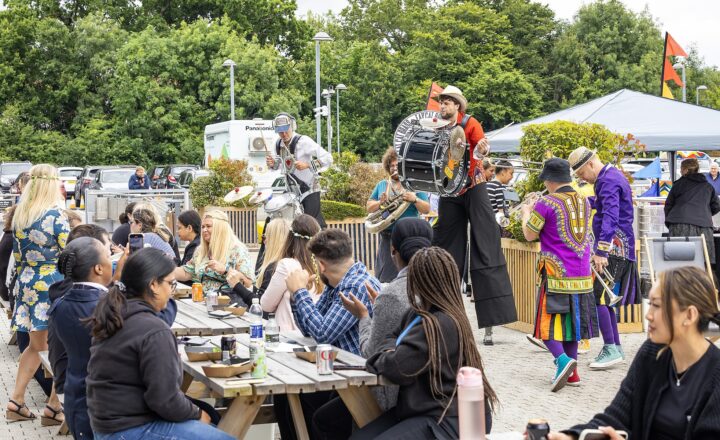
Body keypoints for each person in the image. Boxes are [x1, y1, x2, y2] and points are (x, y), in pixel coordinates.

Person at [548, 266, 720, 440]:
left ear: (689, 315)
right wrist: (571, 436)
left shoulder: (716, 376)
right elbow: (615, 418)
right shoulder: (651, 354)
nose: (648, 315)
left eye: (657, 306)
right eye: (650, 304)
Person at [85, 248, 231, 440]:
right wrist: (196, 414)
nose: (172, 290)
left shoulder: (115, 313)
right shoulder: (154, 330)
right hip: (129, 427)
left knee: (209, 416)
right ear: (153, 284)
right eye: (171, 283)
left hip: (106, 424)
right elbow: (165, 400)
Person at [350, 247, 496, 439]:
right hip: (423, 411)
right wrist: (390, 351)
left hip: (447, 419)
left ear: (419, 283)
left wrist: (384, 356)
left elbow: (397, 366)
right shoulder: (420, 314)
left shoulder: (440, 323)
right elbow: (390, 339)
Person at [312, 218, 434, 439]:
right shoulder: (435, 286)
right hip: (430, 393)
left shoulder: (393, 294)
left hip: (395, 394)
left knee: (324, 418)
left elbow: (370, 355)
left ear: (392, 250)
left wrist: (364, 316)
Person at [276, 229, 381, 440]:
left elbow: (323, 333)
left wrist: (299, 292)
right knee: (285, 397)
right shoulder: (338, 284)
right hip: (341, 372)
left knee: (321, 418)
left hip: (362, 380)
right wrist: (300, 296)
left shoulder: (355, 286)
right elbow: (311, 330)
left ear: (321, 265)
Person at [431, 85, 517, 332]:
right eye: (441, 102)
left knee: (486, 240)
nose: (443, 105)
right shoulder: (435, 124)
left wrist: (481, 150)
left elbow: (482, 145)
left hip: (474, 185)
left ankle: (494, 311)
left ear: (457, 105)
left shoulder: (470, 123)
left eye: (447, 102)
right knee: (446, 244)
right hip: (450, 189)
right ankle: (442, 306)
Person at [521, 158, 598, 391]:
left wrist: (527, 211)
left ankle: (562, 361)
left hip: (556, 274)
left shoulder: (546, 202)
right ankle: (573, 375)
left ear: (550, 181)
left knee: (545, 327)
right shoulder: (583, 200)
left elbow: (529, 234)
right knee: (573, 327)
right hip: (582, 274)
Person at [5, 164, 68, 425]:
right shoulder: (55, 215)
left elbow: (18, 257)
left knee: (36, 345)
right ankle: (53, 407)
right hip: (52, 284)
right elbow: (72, 252)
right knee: (60, 347)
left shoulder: (21, 215)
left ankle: (16, 401)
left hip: (28, 283)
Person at [569, 146, 640, 369]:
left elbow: (610, 215)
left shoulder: (607, 180)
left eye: (581, 174)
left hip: (613, 249)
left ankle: (611, 347)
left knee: (598, 297)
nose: (583, 179)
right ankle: (615, 348)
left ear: (590, 164)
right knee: (605, 299)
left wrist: (601, 251)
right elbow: (604, 206)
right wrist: (582, 201)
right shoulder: (610, 177)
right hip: (618, 246)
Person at [367, 147, 430, 282]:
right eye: (392, 166)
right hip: (388, 238)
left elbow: (426, 209)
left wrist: (415, 199)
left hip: (409, 238)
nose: (394, 168)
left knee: (411, 277)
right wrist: (380, 203)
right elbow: (369, 207)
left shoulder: (413, 185)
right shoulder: (382, 185)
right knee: (385, 278)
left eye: (397, 165)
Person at [265, 112, 333, 228]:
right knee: (277, 219)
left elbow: (328, 158)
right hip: (291, 191)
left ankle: (321, 245)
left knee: (311, 226)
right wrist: (272, 165)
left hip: (309, 189)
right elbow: (282, 166)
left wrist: (307, 165)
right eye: (280, 131)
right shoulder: (277, 144)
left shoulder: (304, 141)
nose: (284, 134)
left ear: (293, 126)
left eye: (286, 129)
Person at [261, 215, 321, 331]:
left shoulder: (287, 265)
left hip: (289, 334)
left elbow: (266, 304)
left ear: (290, 238)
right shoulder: (323, 265)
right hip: (314, 331)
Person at [173, 210, 254, 294]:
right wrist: (163, 269)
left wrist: (225, 270)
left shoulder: (237, 250)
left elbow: (248, 283)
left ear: (220, 228)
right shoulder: (200, 250)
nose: (204, 230)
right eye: (203, 227)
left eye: (208, 226)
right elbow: (186, 273)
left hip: (230, 303)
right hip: (203, 302)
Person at [664, 158, 720, 265]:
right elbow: (716, 206)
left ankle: (680, 282)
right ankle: (701, 282)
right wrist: (705, 213)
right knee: (704, 262)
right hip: (704, 227)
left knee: (679, 262)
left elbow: (668, 206)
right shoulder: (708, 186)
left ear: (684, 170)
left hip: (679, 225)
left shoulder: (678, 185)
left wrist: (672, 220)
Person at [229, 217, 291, 308]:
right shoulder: (290, 261)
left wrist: (237, 285)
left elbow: (260, 304)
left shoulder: (275, 267)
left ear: (274, 240)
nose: (264, 241)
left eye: (264, 237)